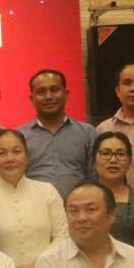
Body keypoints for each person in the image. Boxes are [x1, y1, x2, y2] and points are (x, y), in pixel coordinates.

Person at [0, 130, 68, 268]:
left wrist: (37, 265)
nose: (10, 159)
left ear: (27, 156)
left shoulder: (47, 192)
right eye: (2, 153)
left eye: (17, 152)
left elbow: (63, 237)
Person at [17, 69, 95, 197]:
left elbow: (94, 176)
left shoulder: (87, 133)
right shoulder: (19, 136)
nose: (48, 96)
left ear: (66, 94)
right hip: (34, 206)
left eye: (54, 90)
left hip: (79, 206)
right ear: (32, 98)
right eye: (41, 92)